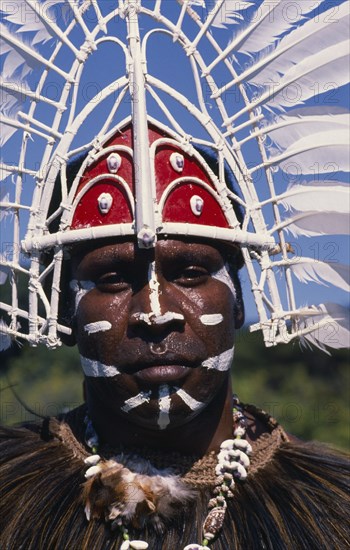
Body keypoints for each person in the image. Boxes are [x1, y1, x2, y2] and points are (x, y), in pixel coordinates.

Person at [0, 1, 349, 549]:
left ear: (239, 301)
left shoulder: (332, 515)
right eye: (113, 279)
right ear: (65, 311)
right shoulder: (9, 502)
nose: (155, 312)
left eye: (190, 272)